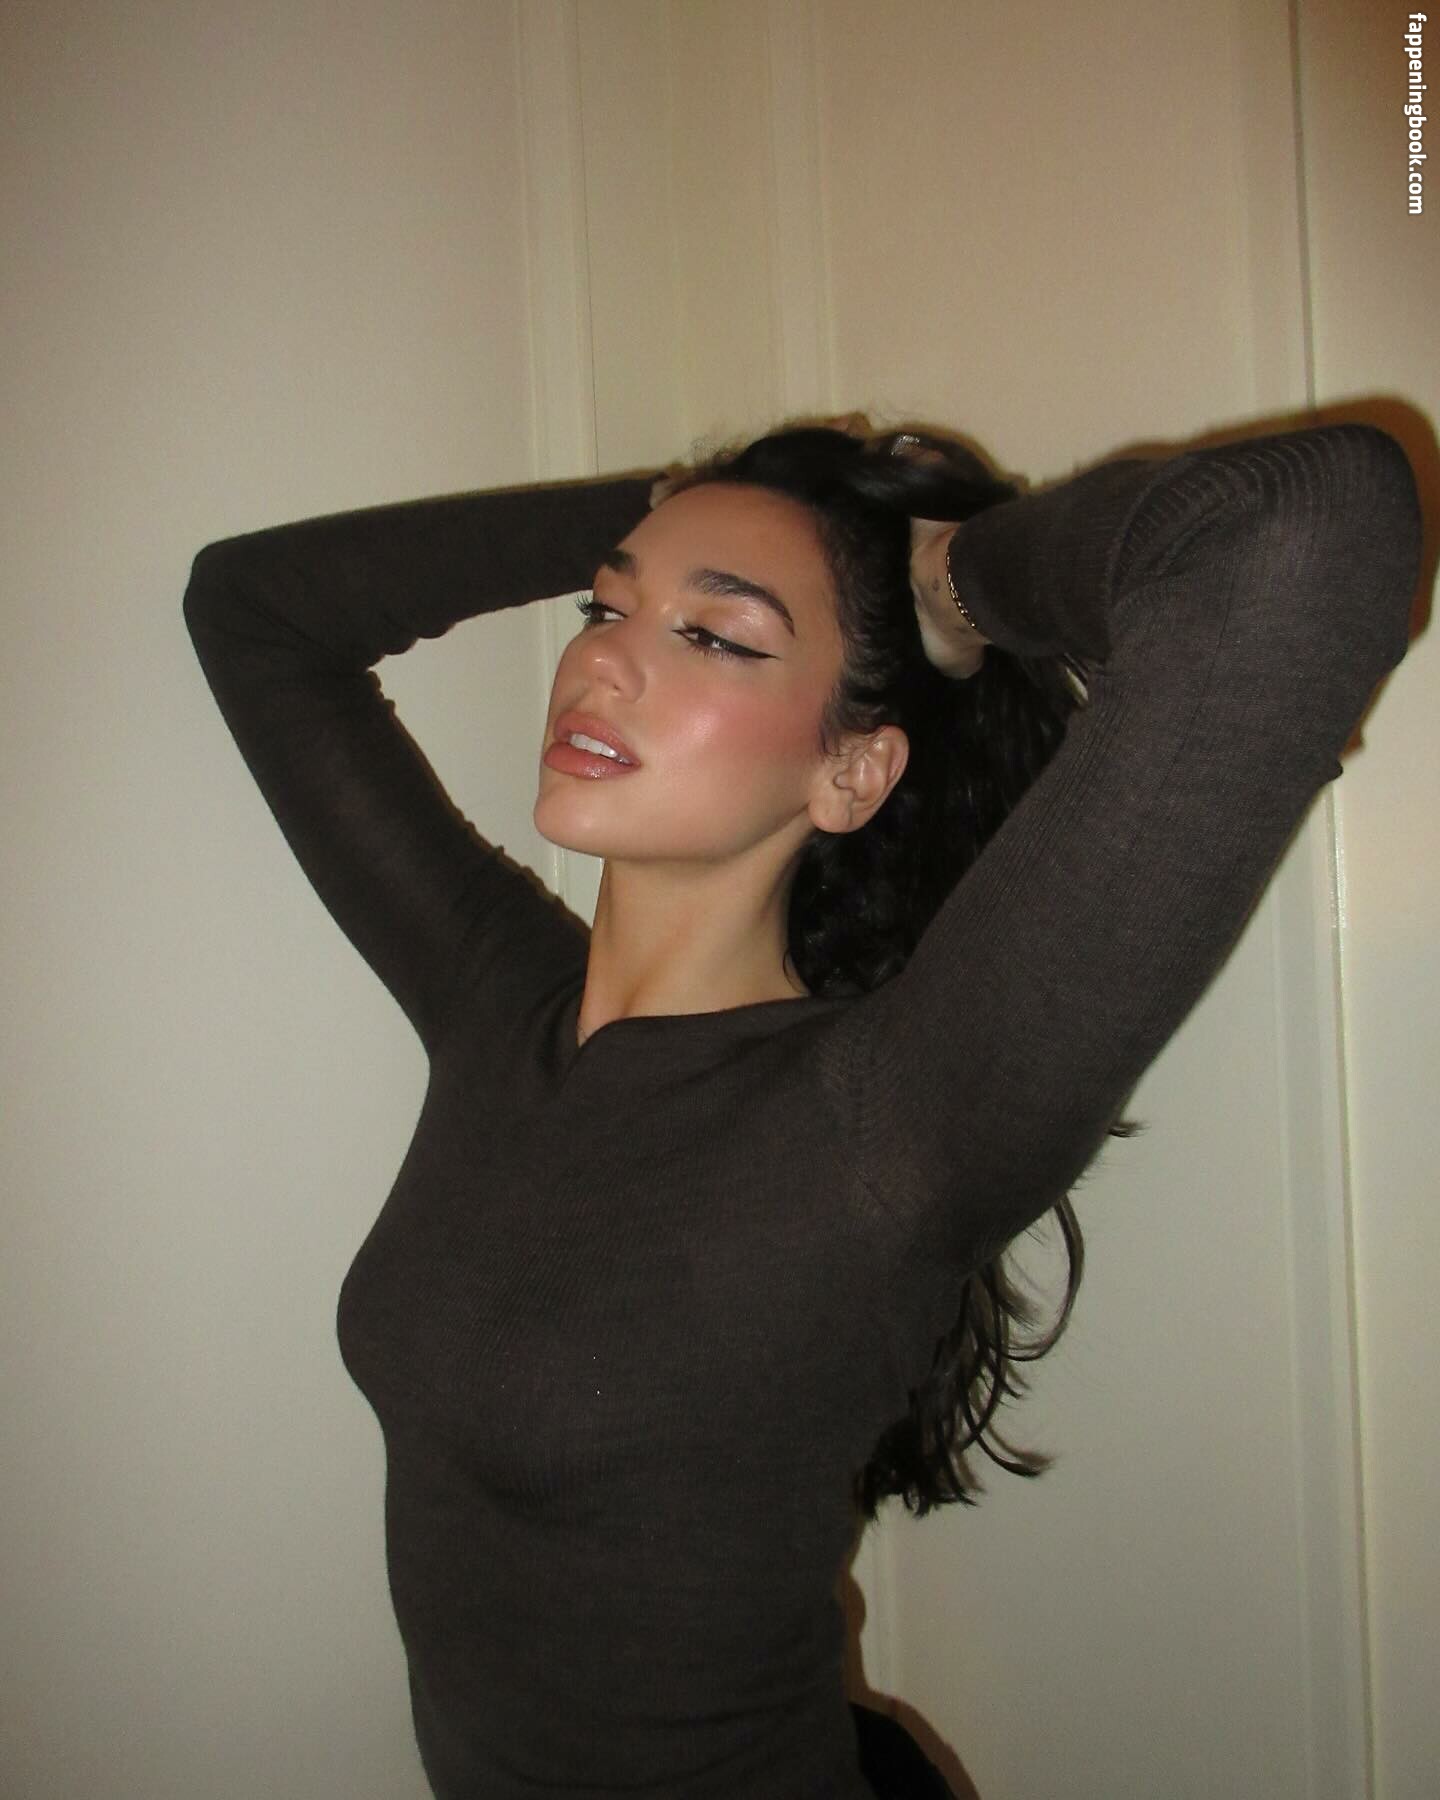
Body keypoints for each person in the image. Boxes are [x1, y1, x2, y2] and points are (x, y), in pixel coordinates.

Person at [182, 413, 1421, 1800]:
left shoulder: (887, 1125)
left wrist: (947, 585)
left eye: (717, 635)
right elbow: (255, 610)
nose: (602, 660)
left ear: (853, 771)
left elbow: (1309, 528)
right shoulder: (499, 1007)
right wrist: (671, 501)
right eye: (606, 606)